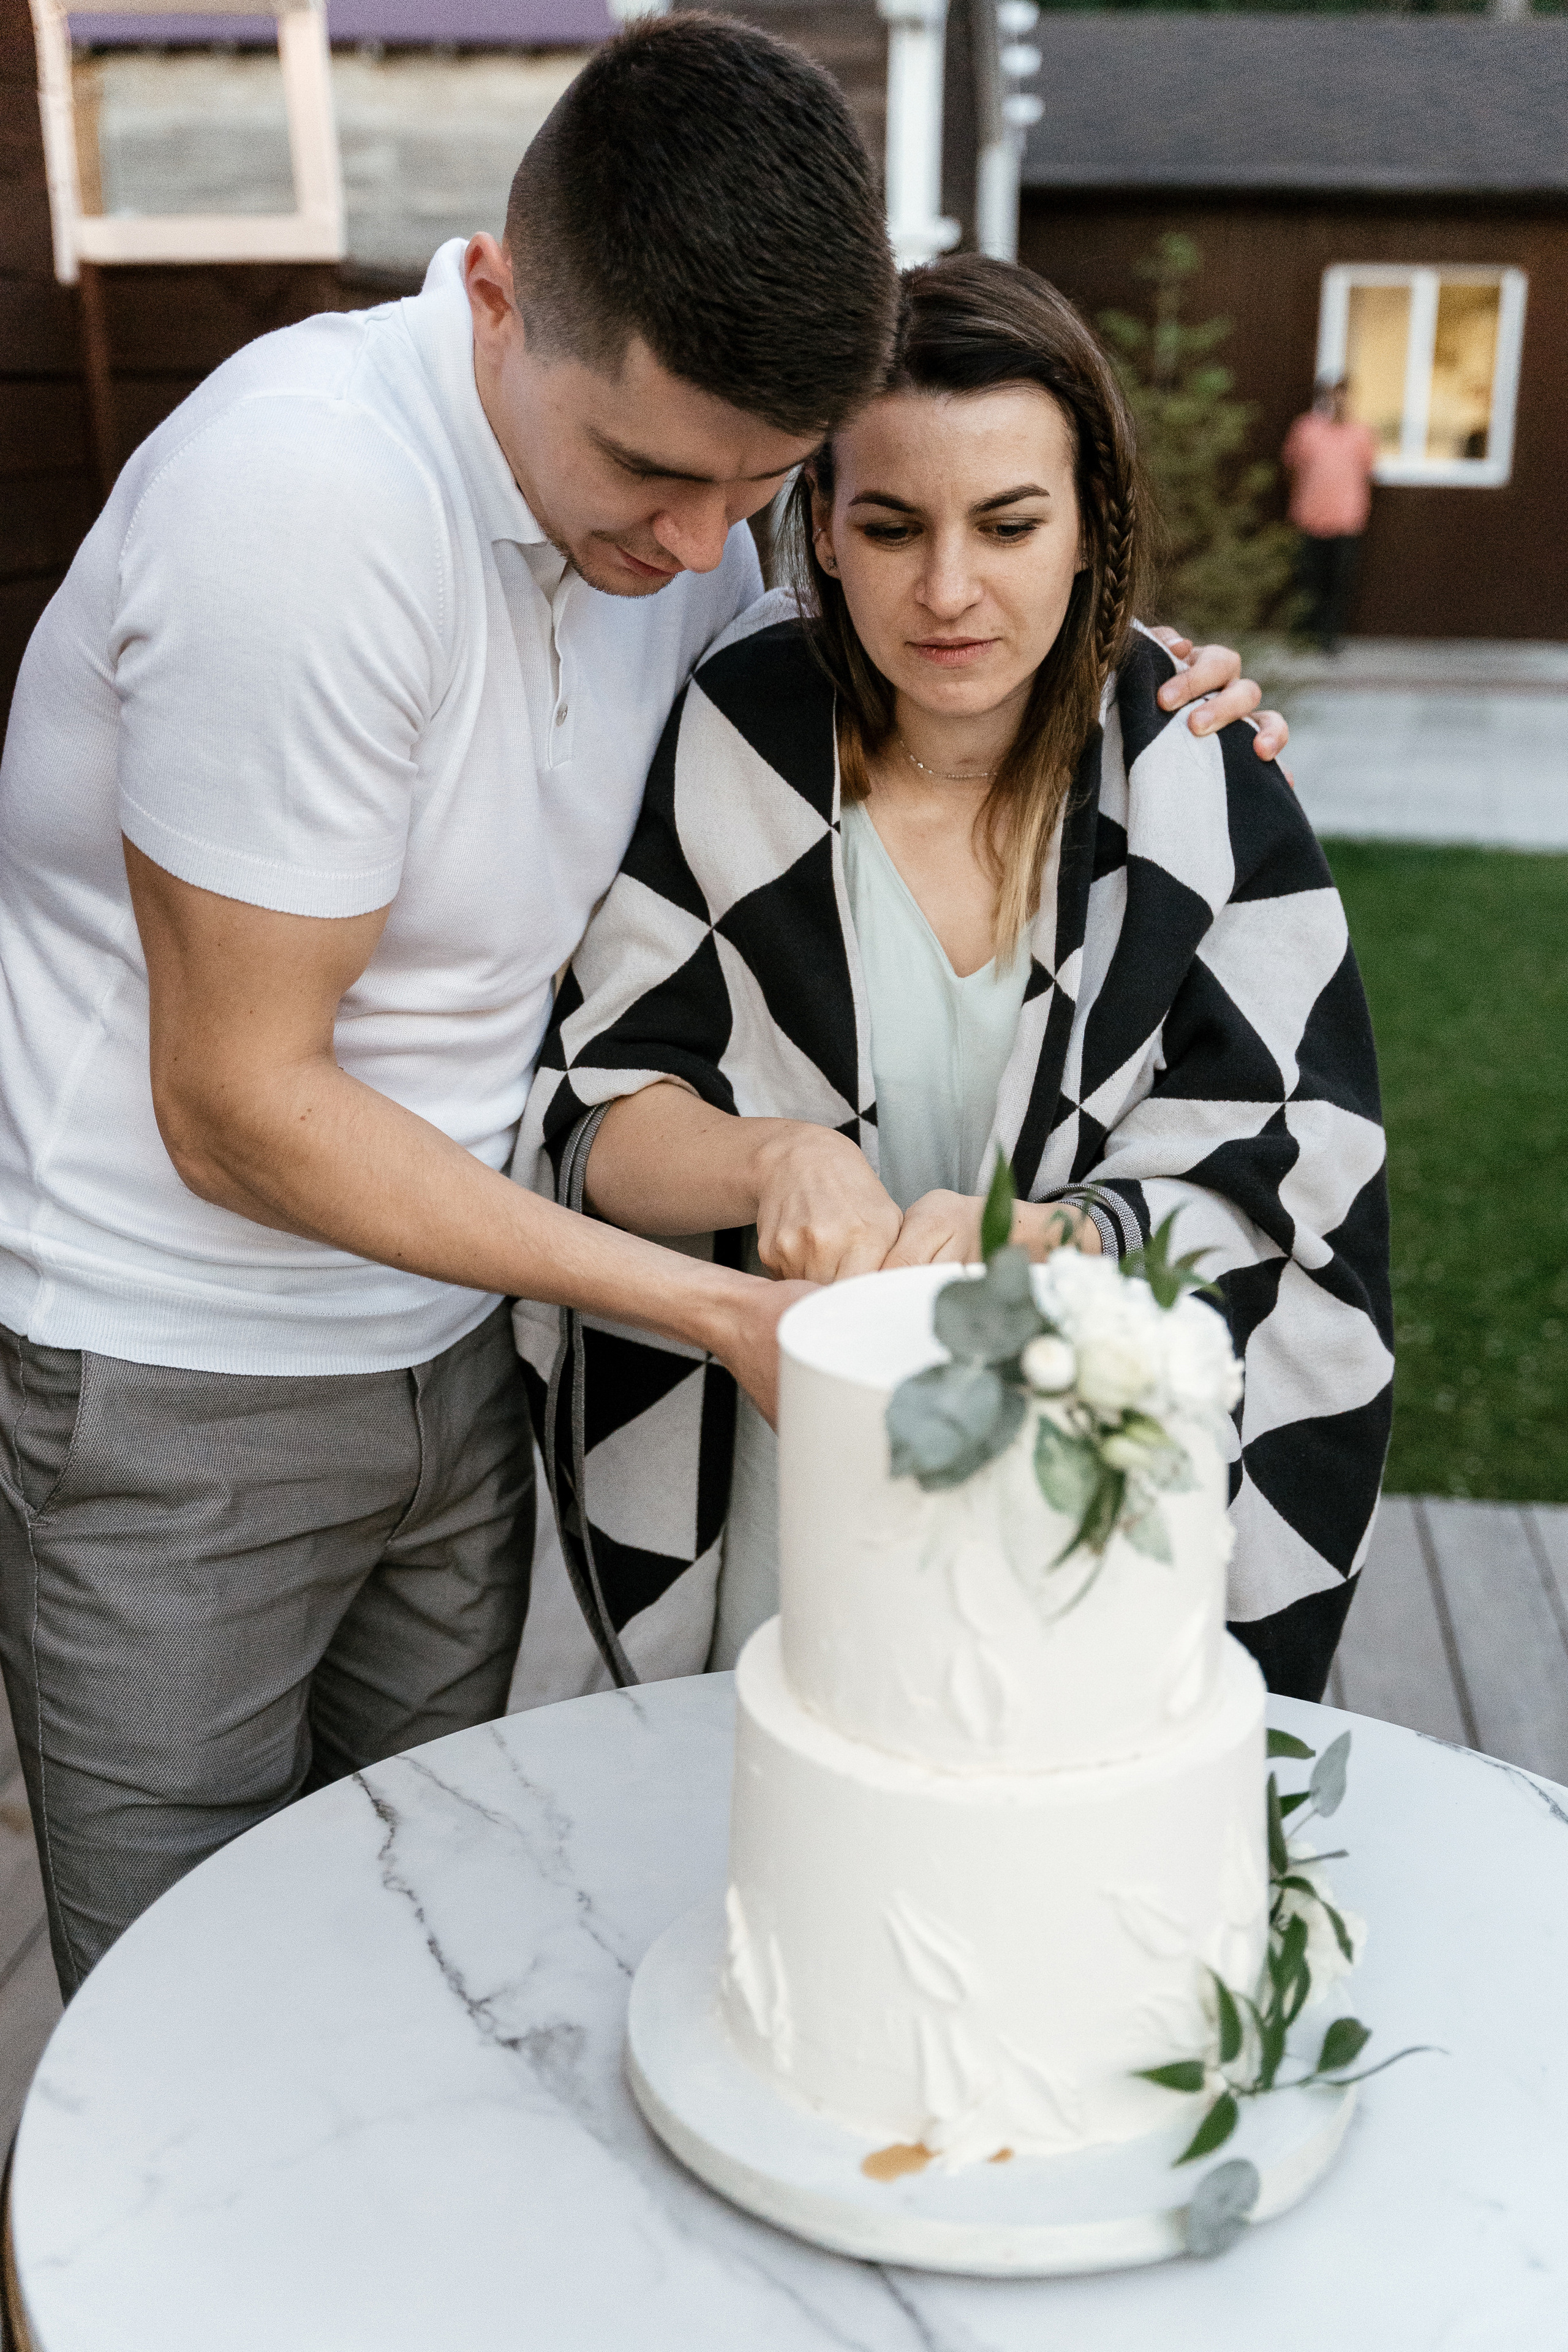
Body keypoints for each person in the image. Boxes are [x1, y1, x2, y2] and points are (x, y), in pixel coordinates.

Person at [0, 17, 1288, 1991]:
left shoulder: (667, 514)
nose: (698, 552)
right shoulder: (303, 507)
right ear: (499, 298)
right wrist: (710, 1298)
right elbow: (237, 1104)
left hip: (453, 1361)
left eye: (756, 488)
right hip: (181, 1385)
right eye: (653, 474)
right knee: (178, 2020)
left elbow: (898, 621)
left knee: (426, 1960)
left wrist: (1143, 681)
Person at [517, 257, 1391, 1707]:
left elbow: (1289, 1169)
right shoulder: (734, 738)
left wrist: (1063, 1237)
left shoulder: (1189, 776)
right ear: (821, 529)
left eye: (1005, 524)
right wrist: (769, 1156)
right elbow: (597, 1117)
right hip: (796, 1493)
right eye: (888, 523)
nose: (945, 590)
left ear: (1088, 526)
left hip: (1090, 1499)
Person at [1282, 377, 1379, 655]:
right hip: (1309, 517)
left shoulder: (1362, 433)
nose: (1338, 402)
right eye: (1332, 396)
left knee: (1339, 581)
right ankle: (1304, 636)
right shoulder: (1305, 429)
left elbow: (1368, 472)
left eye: (1343, 396)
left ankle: (1329, 637)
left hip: (1346, 519)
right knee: (1308, 580)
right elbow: (1291, 468)